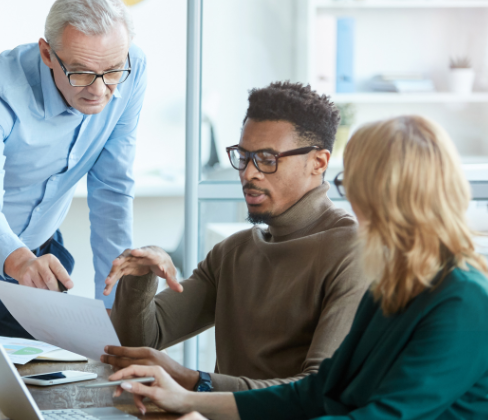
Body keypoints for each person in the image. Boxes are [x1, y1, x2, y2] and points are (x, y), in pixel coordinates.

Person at [110, 115, 488, 419]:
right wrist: (188, 400)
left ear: (389, 194)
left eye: (353, 183)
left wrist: (194, 390)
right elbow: (318, 392)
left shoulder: (464, 301)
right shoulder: (396, 284)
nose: (250, 173)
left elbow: (382, 414)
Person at [0, 0, 147, 340]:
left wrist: (114, 311)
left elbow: (112, 190)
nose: (99, 89)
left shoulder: (132, 69)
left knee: (37, 381)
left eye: (113, 71)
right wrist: (20, 262)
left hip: (37, 255)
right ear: (47, 54)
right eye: (80, 72)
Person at [102, 82, 369, 392]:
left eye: (268, 159)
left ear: (319, 162)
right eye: (244, 156)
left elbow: (319, 390)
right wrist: (141, 279)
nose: (249, 173)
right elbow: (140, 342)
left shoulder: (355, 252)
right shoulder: (234, 252)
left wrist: (194, 381)